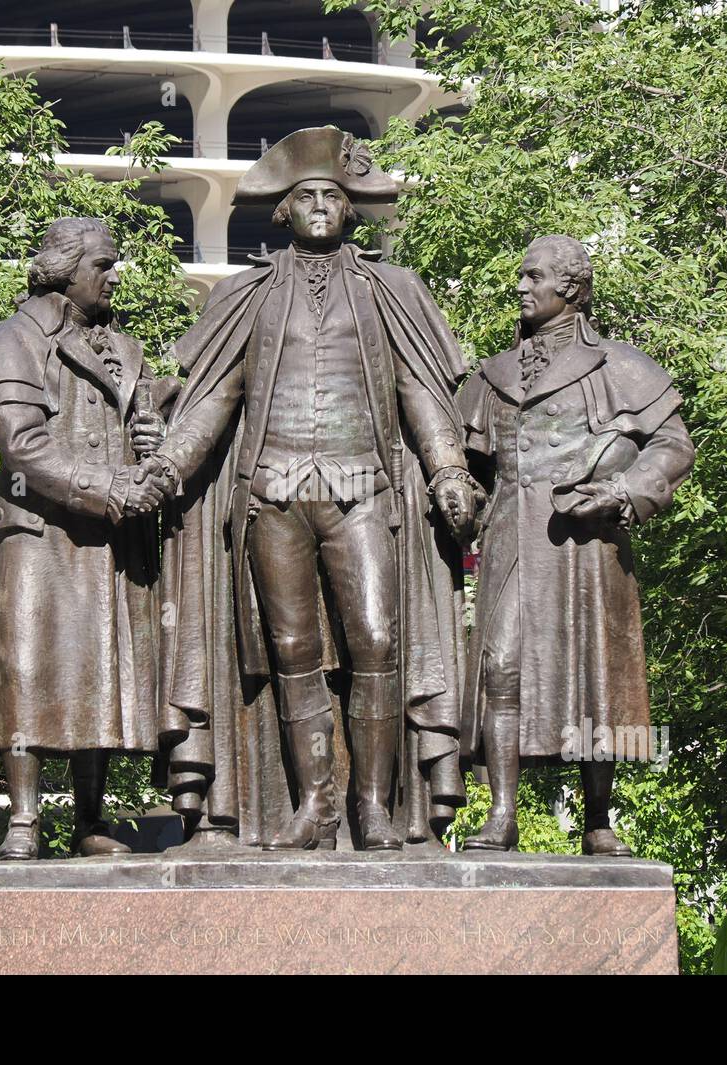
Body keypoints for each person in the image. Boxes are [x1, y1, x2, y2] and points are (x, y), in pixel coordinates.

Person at [143, 128, 479, 850]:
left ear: (351, 210)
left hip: (362, 488)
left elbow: (421, 391)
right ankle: (316, 801)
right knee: (291, 649)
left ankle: (373, 804)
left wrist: (448, 468)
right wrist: (168, 467)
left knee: (377, 642)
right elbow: (214, 401)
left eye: (333, 196)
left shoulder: (391, 290)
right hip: (273, 493)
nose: (322, 206)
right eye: (307, 197)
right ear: (283, 212)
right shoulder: (248, 296)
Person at [458, 234, 694, 855]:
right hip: (510, 538)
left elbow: (672, 447)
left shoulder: (620, 366)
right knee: (499, 665)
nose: (520, 288)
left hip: (586, 542)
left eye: (533, 277)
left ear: (570, 286)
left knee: (594, 673)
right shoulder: (491, 375)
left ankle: (597, 817)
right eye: (521, 277)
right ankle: (501, 814)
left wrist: (621, 492)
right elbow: (463, 463)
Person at [0, 217, 170, 859]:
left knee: (97, 666)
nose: (114, 274)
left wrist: (145, 443)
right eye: (104, 264)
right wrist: (111, 487)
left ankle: (90, 819)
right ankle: (23, 820)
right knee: (32, 669)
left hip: (106, 538)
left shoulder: (123, 349)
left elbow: (138, 418)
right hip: (41, 535)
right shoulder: (12, 341)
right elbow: (23, 449)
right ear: (65, 269)